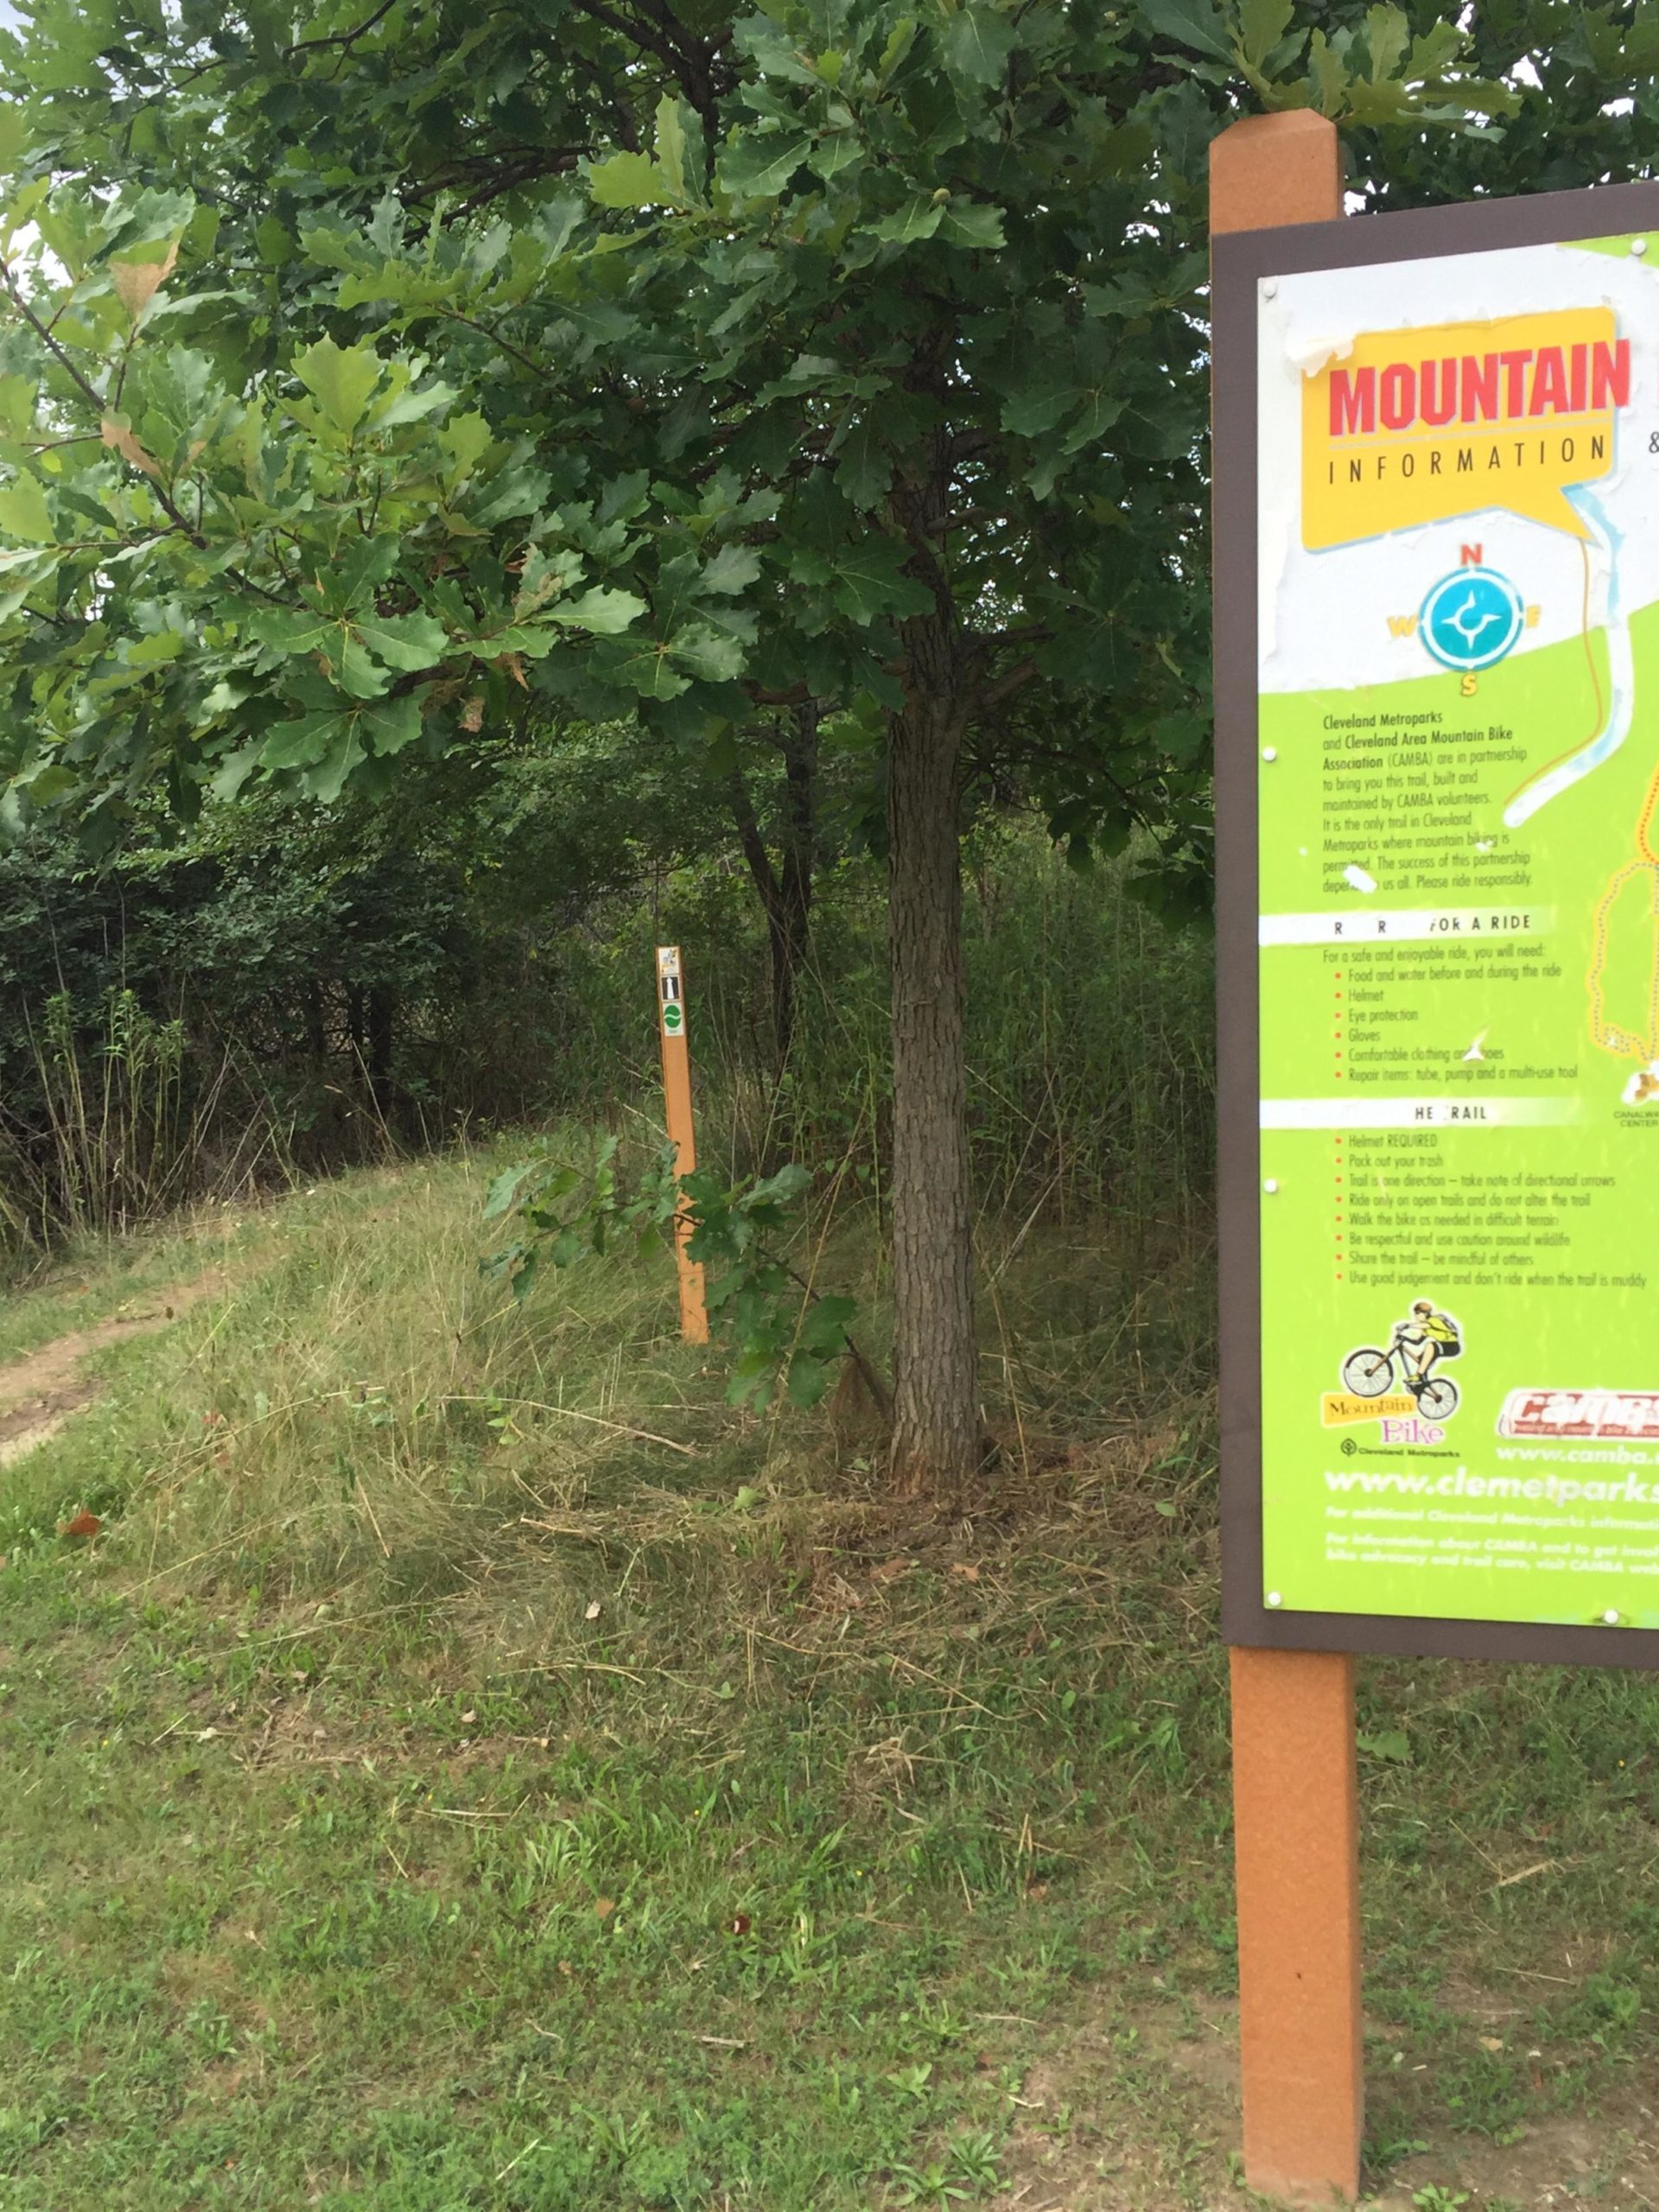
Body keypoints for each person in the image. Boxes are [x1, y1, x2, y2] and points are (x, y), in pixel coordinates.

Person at [1393, 1300, 1461, 1391]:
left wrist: (1407, 1326)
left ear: (1425, 1313)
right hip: (1442, 1346)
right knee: (1421, 1360)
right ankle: (1421, 1386)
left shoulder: (1434, 1320)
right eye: (1415, 1313)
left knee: (1430, 1346)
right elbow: (1417, 1342)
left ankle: (1418, 1375)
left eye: (1417, 1313)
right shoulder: (1426, 1328)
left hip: (1452, 1346)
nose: (1415, 1316)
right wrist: (1405, 1338)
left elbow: (1426, 1325)